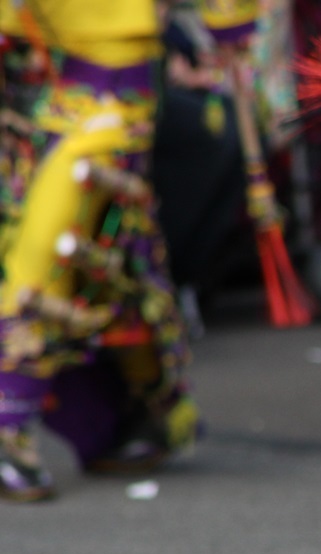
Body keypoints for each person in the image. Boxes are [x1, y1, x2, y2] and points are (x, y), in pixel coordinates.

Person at [0, 0, 197, 501]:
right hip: (38, 99)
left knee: (50, 255)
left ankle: (9, 433)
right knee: (98, 270)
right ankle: (134, 413)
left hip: (111, 104)